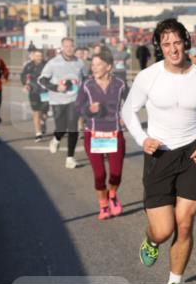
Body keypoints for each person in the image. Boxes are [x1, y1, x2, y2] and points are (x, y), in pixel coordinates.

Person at [121, 18, 196, 284]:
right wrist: (143, 139)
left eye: (177, 42)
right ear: (159, 47)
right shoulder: (149, 76)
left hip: (192, 152)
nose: (172, 48)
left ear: (186, 42)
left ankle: (175, 283)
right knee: (164, 229)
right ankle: (152, 241)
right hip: (159, 153)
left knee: (186, 222)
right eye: (166, 44)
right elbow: (129, 110)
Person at [75, 49, 129, 220]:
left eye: (98, 64)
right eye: (93, 64)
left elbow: (132, 103)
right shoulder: (87, 85)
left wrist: (125, 117)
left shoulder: (120, 84)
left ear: (109, 66)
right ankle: (103, 205)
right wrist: (88, 109)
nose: (94, 67)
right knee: (99, 175)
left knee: (116, 174)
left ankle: (112, 195)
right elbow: (77, 106)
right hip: (94, 134)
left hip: (114, 133)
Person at [38, 37, 87, 168]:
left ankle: (70, 158)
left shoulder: (80, 63)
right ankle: (56, 139)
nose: (69, 48)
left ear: (74, 47)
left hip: (74, 100)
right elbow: (41, 80)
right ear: (62, 48)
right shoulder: (53, 63)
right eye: (66, 46)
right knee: (61, 128)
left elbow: (86, 78)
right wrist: (56, 88)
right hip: (57, 100)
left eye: (71, 46)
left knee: (73, 127)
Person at [21, 48, 49, 141]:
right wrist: (25, 85)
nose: (39, 58)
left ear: (43, 56)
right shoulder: (28, 66)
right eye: (37, 56)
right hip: (33, 92)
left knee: (44, 112)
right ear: (33, 56)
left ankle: (43, 121)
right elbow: (23, 76)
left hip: (45, 92)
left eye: (40, 56)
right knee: (36, 112)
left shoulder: (47, 65)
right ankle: (38, 133)